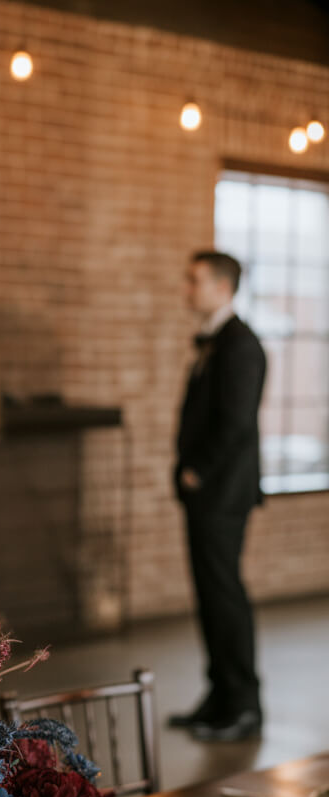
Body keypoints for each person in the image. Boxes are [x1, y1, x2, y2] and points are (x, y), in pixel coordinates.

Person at [169, 250, 266, 742]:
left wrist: (197, 471)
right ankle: (219, 693)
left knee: (224, 594)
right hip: (208, 495)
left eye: (195, 281)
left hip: (223, 493)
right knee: (210, 595)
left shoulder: (240, 344)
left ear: (222, 288)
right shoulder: (215, 341)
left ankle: (244, 702)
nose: (187, 289)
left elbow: (236, 422)